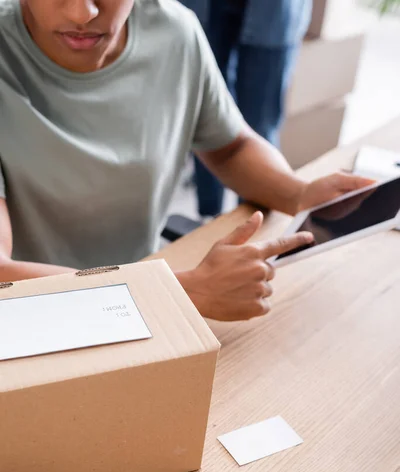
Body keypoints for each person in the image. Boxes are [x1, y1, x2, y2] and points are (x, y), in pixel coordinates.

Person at [0, 0, 371, 322]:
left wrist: (298, 193)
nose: (83, 12)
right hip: (34, 314)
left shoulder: (174, 31)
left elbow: (230, 145)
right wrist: (183, 291)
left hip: (147, 286)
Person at [180, 0, 312, 217]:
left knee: (261, 121)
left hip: (275, 10)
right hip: (205, 7)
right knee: (203, 117)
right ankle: (207, 217)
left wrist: (302, 195)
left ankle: (256, 225)